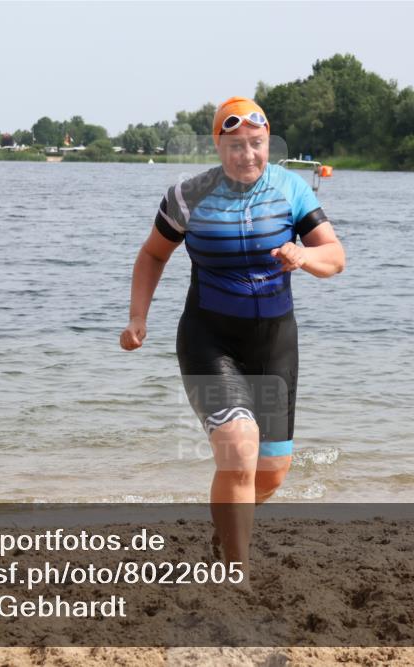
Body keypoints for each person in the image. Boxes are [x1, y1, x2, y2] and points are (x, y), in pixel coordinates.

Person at [119, 96, 345, 575]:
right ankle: (234, 576)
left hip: (274, 343)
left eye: (257, 144)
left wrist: (304, 258)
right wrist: (139, 318)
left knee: (269, 475)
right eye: (236, 145)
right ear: (218, 146)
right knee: (239, 446)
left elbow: (335, 256)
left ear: (269, 143)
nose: (248, 155)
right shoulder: (187, 196)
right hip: (209, 338)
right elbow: (152, 255)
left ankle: (225, 538)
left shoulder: (292, 191)